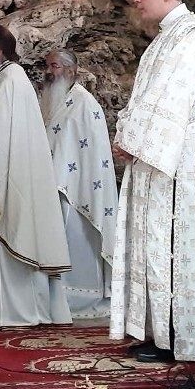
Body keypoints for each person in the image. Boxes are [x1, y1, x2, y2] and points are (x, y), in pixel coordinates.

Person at [110, 0, 195, 362]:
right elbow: (142, 99)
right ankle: (157, 330)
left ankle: (178, 336)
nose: (136, 0)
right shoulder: (163, 38)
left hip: (176, 159)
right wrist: (127, 137)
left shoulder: (193, 36)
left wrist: (134, 143)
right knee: (152, 244)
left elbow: (171, 101)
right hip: (154, 157)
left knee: (172, 244)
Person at [0, 23, 71, 326]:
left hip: (11, 179)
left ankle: (17, 313)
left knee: (15, 236)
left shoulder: (10, 80)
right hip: (16, 175)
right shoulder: (7, 78)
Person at [40, 49, 117, 319]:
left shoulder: (85, 104)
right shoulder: (53, 99)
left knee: (78, 243)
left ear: (71, 70)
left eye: (54, 66)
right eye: (48, 66)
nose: (49, 72)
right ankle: (57, 300)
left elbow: (94, 151)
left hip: (79, 190)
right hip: (55, 186)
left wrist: (78, 183)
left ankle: (80, 300)